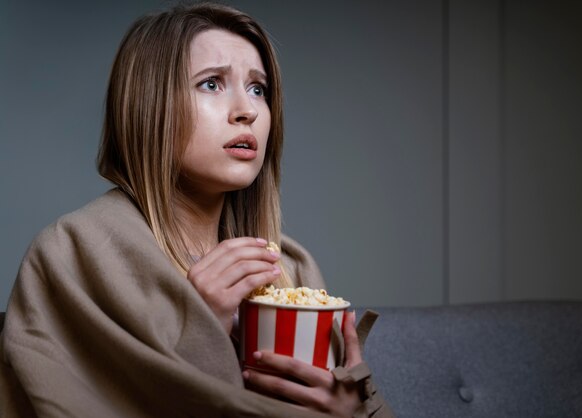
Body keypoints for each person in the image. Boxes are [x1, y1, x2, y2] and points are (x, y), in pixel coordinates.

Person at [0, 2, 393, 417]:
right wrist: (199, 326)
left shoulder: (292, 266)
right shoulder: (73, 253)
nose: (248, 110)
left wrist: (353, 406)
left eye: (259, 88)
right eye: (211, 84)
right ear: (149, 106)